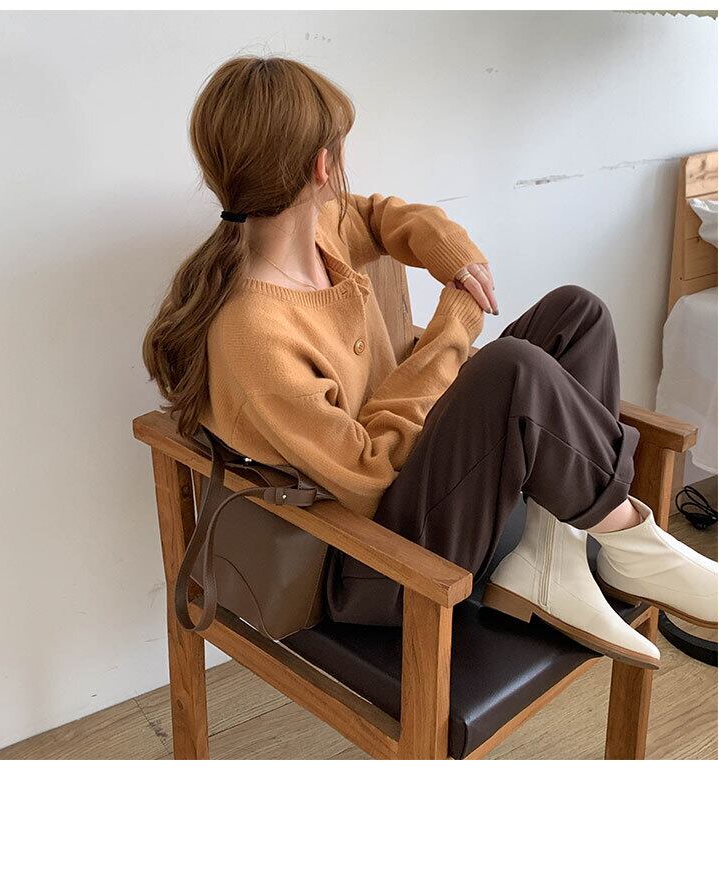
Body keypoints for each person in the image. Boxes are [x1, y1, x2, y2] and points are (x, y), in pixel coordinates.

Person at [143, 55, 717, 670]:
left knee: (576, 315)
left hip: (423, 490)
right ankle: (633, 540)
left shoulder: (319, 228)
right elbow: (371, 474)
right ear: (321, 165)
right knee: (511, 369)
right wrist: (454, 329)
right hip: (382, 564)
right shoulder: (254, 332)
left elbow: (380, 216)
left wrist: (451, 255)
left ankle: (556, 559)